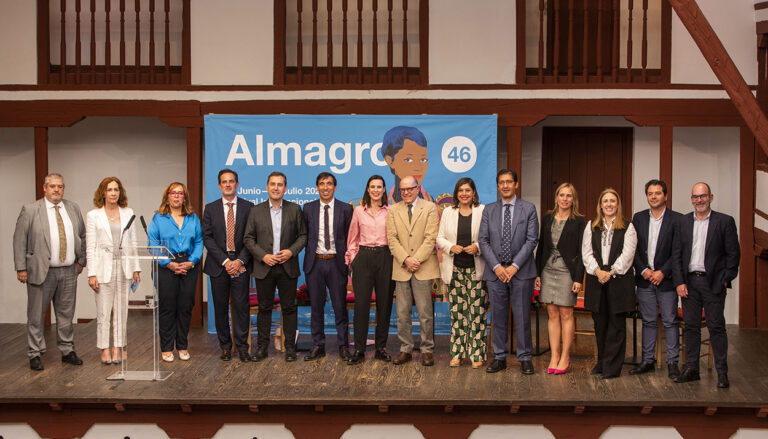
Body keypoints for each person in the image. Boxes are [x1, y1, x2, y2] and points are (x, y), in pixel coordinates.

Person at [13, 173, 86, 371]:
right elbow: (19, 239)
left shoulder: (72, 208)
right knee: (36, 315)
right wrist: (21, 267)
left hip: (69, 271)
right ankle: (35, 353)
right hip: (40, 271)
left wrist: (81, 261)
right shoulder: (31, 209)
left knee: (66, 314)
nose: (56, 190)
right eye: (52, 186)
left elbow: (82, 235)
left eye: (60, 186)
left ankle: (67, 350)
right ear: (44, 188)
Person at [672, 182, 740, 388]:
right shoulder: (683, 222)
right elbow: (676, 255)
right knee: (691, 327)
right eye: (695, 197)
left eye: (703, 196)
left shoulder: (725, 221)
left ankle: (722, 372)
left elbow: (733, 254)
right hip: (689, 283)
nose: (699, 200)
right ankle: (692, 368)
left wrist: (725, 278)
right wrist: (679, 282)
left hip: (713, 283)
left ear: (711, 197)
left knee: (716, 327)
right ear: (691, 199)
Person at [478, 169, 539, 375]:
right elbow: (483, 241)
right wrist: (497, 266)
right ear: (498, 186)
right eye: (501, 182)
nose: (505, 185)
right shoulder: (489, 210)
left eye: (509, 182)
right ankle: (499, 357)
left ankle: (524, 358)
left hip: (520, 272)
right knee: (498, 316)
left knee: (522, 316)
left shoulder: (528, 209)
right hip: (496, 272)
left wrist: (514, 266)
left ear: (516, 184)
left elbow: (532, 240)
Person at [244, 171, 307, 362]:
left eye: (280, 184)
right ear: (267, 187)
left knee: (289, 308)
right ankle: (262, 348)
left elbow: (303, 236)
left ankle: (289, 348)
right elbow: (248, 238)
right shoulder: (256, 211)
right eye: (273, 184)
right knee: (264, 309)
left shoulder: (295, 209)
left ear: (285, 188)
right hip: (265, 267)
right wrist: (263, 256)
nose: (276, 188)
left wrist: (291, 251)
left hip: (287, 266)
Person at [582, 188, 637, 379]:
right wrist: (598, 271)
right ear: (600, 205)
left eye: (612, 201)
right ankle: (602, 362)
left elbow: (627, 256)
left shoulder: (628, 227)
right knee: (600, 324)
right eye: (605, 201)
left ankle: (612, 368)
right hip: (597, 280)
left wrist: (610, 272)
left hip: (618, 280)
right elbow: (586, 253)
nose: (609, 204)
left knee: (616, 325)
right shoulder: (591, 225)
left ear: (618, 204)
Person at [85, 177, 141, 365]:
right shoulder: (93, 215)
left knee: (121, 311)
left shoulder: (128, 213)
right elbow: (90, 246)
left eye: (116, 189)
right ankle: (104, 348)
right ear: (103, 193)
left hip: (124, 267)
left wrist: (136, 268)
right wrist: (91, 273)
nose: (113, 193)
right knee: (104, 312)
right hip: (103, 268)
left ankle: (118, 346)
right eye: (109, 190)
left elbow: (133, 242)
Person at [629, 179, 682, 379]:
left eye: (657, 193)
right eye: (650, 193)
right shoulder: (639, 218)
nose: (653, 196)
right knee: (649, 321)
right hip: (644, 279)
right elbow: (632, 248)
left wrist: (663, 271)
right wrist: (643, 270)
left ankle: (672, 363)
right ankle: (648, 361)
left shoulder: (677, 219)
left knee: (669, 321)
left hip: (666, 280)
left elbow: (679, 251)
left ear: (665, 196)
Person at [386, 175, 440, 366]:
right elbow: (392, 239)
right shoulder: (393, 210)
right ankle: (405, 349)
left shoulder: (430, 208)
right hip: (402, 267)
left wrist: (416, 259)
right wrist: (406, 259)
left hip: (423, 266)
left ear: (418, 188)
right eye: (403, 190)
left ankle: (427, 350)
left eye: (410, 188)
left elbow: (431, 237)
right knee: (402, 312)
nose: (406, 192)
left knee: (425, 312)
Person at [202, 169, 254, 363]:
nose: (228, 184)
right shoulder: (211, 208)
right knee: (220, 308)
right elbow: (207, 237)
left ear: (237, 184)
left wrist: (239, 261)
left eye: (231, 181)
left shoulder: (249, 207)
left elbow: (252, 237)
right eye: (224, 182)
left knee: (241, 307)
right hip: (218, 265)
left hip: (241, 264)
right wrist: (225, 262)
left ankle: (242, 347)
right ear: (219, 185)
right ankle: (225, 347)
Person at [148, 182, 203, 363]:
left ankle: (182, 345)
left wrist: (191, 261)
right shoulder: (159, 218)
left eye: (181, 193)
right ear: (167, 196)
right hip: (166, 266)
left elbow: (199, 242)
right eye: (174, 193)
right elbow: (153, 244)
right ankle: (166, 347)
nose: (177, 196)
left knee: (185, 307)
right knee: (168, 308)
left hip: (188, 265)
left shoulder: (192, 218)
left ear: (184, 197)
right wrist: (168, 264)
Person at [302, 172, 354, 362]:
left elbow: (350, 237)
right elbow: (304, 236)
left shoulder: (346, 209)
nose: (325, 187)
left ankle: (343, 345)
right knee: (316, 307)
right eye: (322, 184)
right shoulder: (308, 209)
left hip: (336, 263)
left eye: (329, 183)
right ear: (317, 187)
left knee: (340, 306)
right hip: (315, 263)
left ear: (335, 187)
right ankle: (318, 345)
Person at [534, 182, 585, 375]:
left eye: (569, 196)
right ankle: (554, 355)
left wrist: (578, 278)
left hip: (567, 272)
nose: (565, 199)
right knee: (552, 313)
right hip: (548, 270)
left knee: (566, 313)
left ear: (573, 199)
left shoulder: (579, 221)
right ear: (556, 197)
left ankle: (565, 356)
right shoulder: (547, 217)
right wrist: (537, 273)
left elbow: (582, 252)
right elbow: (542, 246)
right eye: (561, 195)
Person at [436, 177, 487, 368]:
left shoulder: (482, 211)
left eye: (467, 190)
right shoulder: (449, 212)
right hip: (454, 270)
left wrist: (478, 247)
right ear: (456, 194)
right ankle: (457, 353)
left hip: (476, 270)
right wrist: (450, 247)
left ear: (474, 192)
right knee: (457, 314)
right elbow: (439, 238)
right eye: (460, 190)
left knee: (477, 313)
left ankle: (477, 354)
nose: (464, 194)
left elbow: (489, 237)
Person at [346, 175, 395, 365]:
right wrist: (353, 259)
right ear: (367, 189)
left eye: (379, 187)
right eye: (372, 186)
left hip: (385, 257)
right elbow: (352, 237)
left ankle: (381, 348)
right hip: (363, 258)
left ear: (384, 190)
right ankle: (358, 349)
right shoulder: (359, 211)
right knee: (361, 305)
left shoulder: (391, 211)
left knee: (384, 305)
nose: (376, 190)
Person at [381, 126, 433, 203]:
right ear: (390, 161)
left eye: (423, 160)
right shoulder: (384, 204)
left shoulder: (431, 203)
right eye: (408, 160)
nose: (418, 167)